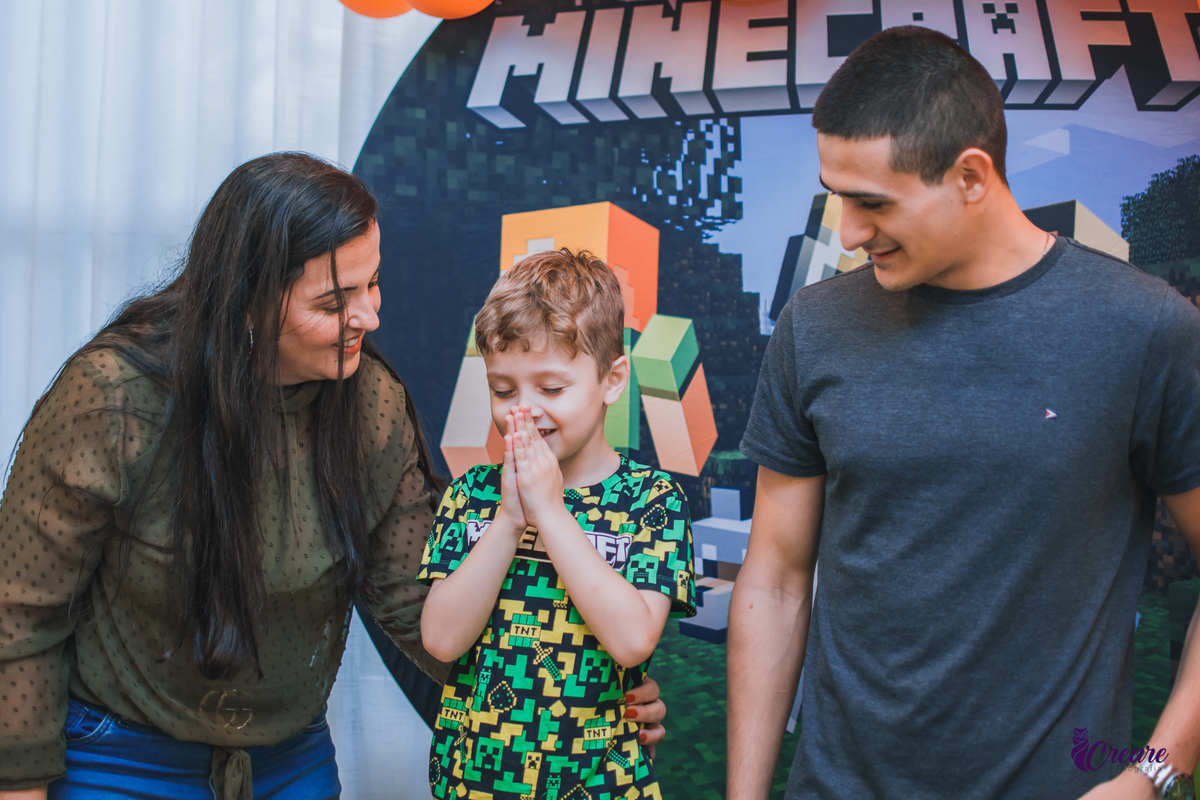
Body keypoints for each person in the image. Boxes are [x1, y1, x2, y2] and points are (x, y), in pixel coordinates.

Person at [0, 154, 667, 800]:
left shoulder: (369, 402)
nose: (370, 317)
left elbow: (420, 610)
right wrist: (19, 781)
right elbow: (19, 612)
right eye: (335, 301)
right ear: (248, 303)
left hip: (288, 760)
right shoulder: (114, 396)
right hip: (119, 756)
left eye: (372, 284)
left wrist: (589, 691)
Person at [727, 26, 1200, 800]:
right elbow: (775, 580)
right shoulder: (813, 326)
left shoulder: (1145, 330)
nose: (846, 231)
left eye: (872, 202)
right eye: (837, 196)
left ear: (971, 176)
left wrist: (1153, 774)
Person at [418, 249, 696, 799]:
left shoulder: (650, 500)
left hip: (602, 785)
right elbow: (442, 640)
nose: (522, 412)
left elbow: (633, 638)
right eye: (503, 390)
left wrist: (549, 511)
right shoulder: (473, 495)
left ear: (613, 380)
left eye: (550, 389)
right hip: (472, 784)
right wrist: (508, 519)